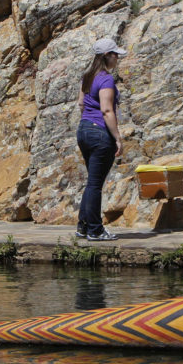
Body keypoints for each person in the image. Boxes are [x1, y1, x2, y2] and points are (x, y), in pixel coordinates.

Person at [75, 38, 127, 241]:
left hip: (84, 130)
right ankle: (95, 230)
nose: (117, 59)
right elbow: (106, 110)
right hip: (99, 133)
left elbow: (81, 104)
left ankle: (83, 226)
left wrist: (88, 122)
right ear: (107, 56)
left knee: (92, 182)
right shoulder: (106, 79)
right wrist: (118, 138)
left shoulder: (87, 77)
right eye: (115, 55)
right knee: (95, 184)